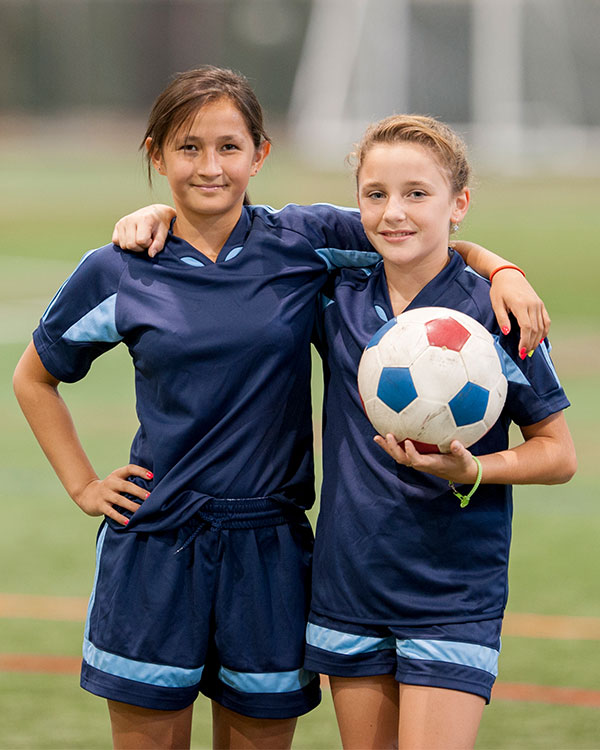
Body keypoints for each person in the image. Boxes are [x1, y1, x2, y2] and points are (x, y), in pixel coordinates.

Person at [13, 65, 548, 750]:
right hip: (154, 545)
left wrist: (503, 268)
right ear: (156, 155)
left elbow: (416, 227)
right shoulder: (120, 267)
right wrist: (84, 485)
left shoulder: (302, 242)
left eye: (229, 147)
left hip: (270, 550)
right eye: (188, 147)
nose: (210, 166)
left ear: (260, 154)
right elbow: (35, 377)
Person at [302, 114, 577, 750]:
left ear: (460, 204)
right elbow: (239, 224)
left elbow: (558, 453)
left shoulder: (497, 313)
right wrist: (156, 212)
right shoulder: (336, 293)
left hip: (452, 588)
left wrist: (474, 469)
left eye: (417, 194)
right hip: (350, 580)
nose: (393, 212)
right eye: (376, 194)